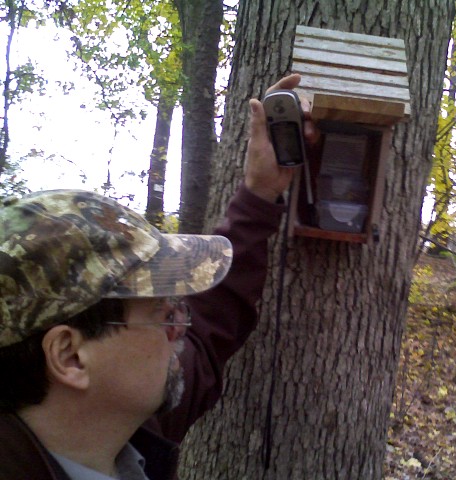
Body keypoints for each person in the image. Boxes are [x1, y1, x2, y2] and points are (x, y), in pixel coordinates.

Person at [0, 74, 316, 480]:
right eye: (163, 316)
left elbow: (209, 322)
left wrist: (260, 193)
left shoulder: (117, 427)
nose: (181, 327)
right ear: (70, 356)